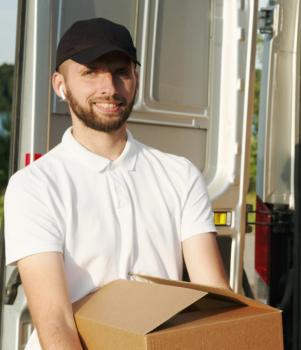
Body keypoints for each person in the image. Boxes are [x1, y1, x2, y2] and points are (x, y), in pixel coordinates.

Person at [4, 18, 229, 350]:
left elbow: (214, 297)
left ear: (135, 78)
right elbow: (56, 322)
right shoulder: (35, 186)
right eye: (90, 72)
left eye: (121, 71)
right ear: (59, 85)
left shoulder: (180, 175)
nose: (109, 87)